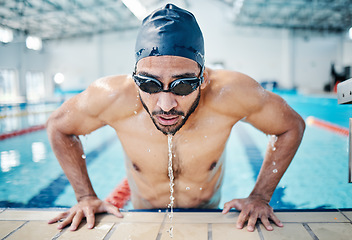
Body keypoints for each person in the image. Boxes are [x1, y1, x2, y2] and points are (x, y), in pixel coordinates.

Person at [47, 4, 305, 232]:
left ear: (202, 78)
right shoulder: (111, 97)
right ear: (135, 78)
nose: (166, 104)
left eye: (182, 85)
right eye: (149, 84)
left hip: (208, 221)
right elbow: (59, 126)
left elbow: (291, 126)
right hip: (141, 220)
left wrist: (260, 196)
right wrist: (85, 197)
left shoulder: (232, 93)